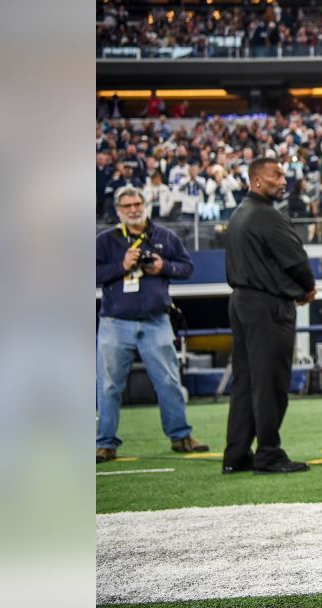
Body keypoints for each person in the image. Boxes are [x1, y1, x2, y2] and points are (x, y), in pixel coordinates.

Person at [95, 187, 207, 463]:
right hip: (115, 322)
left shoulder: (164, 237)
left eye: (137, 203)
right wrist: (121, 266)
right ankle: (105, 443)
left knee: (169, 382)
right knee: (108, 386)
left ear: (145, 205)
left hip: (156, 321)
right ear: (118, 211)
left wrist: (163, 267)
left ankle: (181, 436)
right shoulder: (106, 241)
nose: (133, 209)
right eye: (127, 206)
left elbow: (187, 267)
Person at [222, 157, 316, 475]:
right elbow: (296, 262)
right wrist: (308, 289)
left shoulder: (239, 214)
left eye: (284, 174)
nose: (283, 180)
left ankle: (236, 455)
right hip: (268, 307)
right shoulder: (268, 216)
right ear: (257, 180)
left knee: (246, 382)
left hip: (241, 303)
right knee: (270, 382)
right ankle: (269, 453)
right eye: (275, 175)